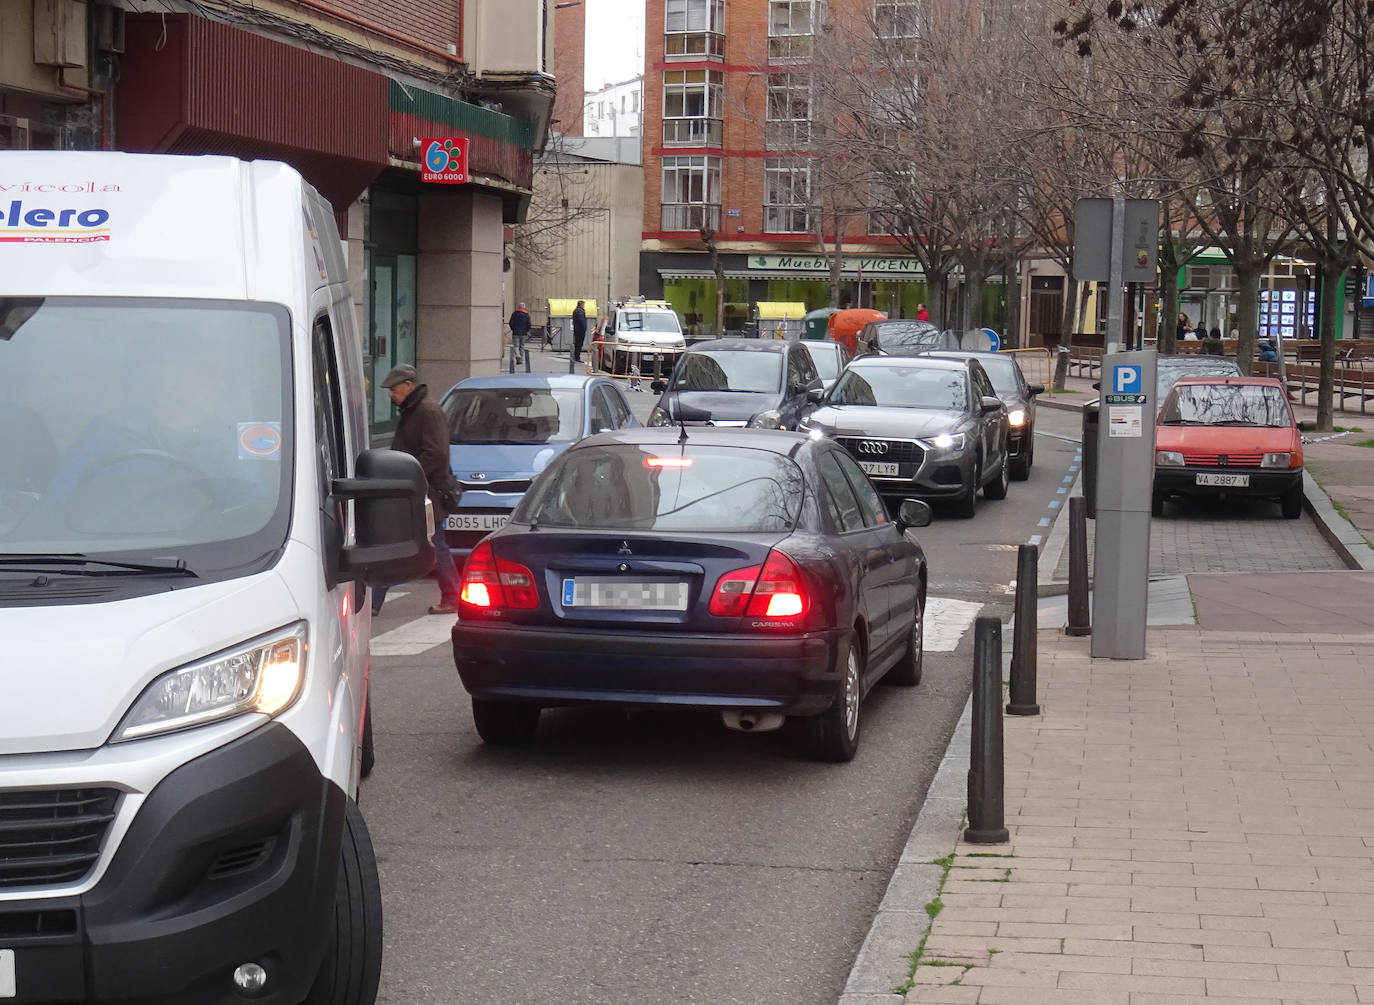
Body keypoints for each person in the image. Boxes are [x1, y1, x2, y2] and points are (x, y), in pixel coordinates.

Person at [371, 364, 461, 617]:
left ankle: (453, 596)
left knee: (431, 543)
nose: (391, 395)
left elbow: (437, 453)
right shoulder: (414, 410)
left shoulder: (427, 411)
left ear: (409, 386)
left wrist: (409, 474)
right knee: (402, 542)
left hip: (423, 492)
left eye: (394, 389)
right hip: (414, 490)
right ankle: (375, 602)